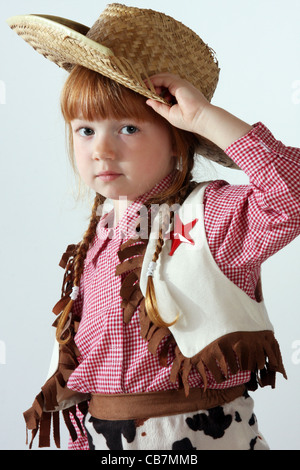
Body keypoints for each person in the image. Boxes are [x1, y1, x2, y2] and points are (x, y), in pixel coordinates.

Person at [7, 4, 300, 451]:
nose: (101, 149)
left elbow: (292, 197)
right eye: (85, 130)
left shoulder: (211, 218)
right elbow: (87, 371)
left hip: (199, 438)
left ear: (175, 136)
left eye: (127, 127)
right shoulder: (98, 238)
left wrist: (206, 119)